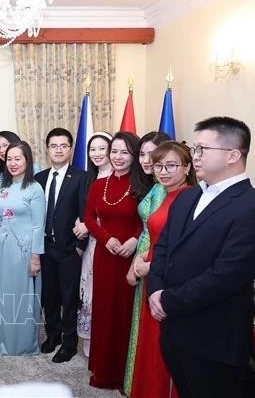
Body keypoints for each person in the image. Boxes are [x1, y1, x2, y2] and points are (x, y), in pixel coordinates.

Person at [148, 117, 255, 398]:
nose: (194, 156)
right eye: (194, 149)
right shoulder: (187, 196)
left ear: (233, 155)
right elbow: (163, 248)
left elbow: (227, 276)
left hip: (215, 337)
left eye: (201, 150)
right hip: (174, 329)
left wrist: (167, 301)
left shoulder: (250, 206)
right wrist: (155, 290)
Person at [126, 141, 196, 398]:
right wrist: (142, 258)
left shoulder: (189, 198)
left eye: (171, 166)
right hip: (151, 273)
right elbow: (158, 237)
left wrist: (148, 266)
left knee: (162, 350)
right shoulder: (163, 193)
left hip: (169, 280)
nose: (163, 171)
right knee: (149, 345)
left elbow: (187, 250)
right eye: (158, 166)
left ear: (187, 167)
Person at [84, 131, 143, 390]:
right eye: (114, 152)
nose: (118, 157)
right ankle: (102, 371)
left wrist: (134, 240)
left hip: (131, 259)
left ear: (135, 155)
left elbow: (150, 223)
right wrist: (106, 239)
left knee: (124, 314)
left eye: (125, 152)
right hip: (104, 256)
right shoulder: (99, 185)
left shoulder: (144, 186)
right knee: (104, 312)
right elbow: (88, 219)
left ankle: (123, 374)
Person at [123, 131, 172, 394]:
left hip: (153, 261)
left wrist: (143, 264)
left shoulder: (170, 190)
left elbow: (163, 234)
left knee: (153, 329)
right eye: (142, 154)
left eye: (152, 154)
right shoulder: (154, 185)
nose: (145, 160)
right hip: (142, 258)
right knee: (140, 326)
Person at [35, 128, 88, 363]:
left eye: (63, 146)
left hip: (69, 249)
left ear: (70, 149)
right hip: (45, 247)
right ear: (47, 149)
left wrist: (79, 245)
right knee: (49, 296)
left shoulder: (81, 177)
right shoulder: (39, 178)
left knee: (69, 298)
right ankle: (53, 335)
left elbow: (86, 215)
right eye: (54, 146)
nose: (58, 150)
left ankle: (69, 344)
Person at [0, 141, 45, 355]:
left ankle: (24, 345)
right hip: (5, 251)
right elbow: (1, 219)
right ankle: (5, 341)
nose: (13, 163)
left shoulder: (35, 189)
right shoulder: (3, 187)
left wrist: (35, 257)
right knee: (6, 296)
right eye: (9, 159)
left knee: (24, 298)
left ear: (27, 160)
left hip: (25, 253)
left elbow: (38, 226)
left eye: (18, 158)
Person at [77, 131, 113, 357]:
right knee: (88, 290)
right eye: (93, 149)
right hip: (90, 245)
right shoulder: (88, 179)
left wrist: (88, 226)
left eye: (102, 148)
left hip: (111, 243)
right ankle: (90, 341)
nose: (97, 153)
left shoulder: (120, 178)